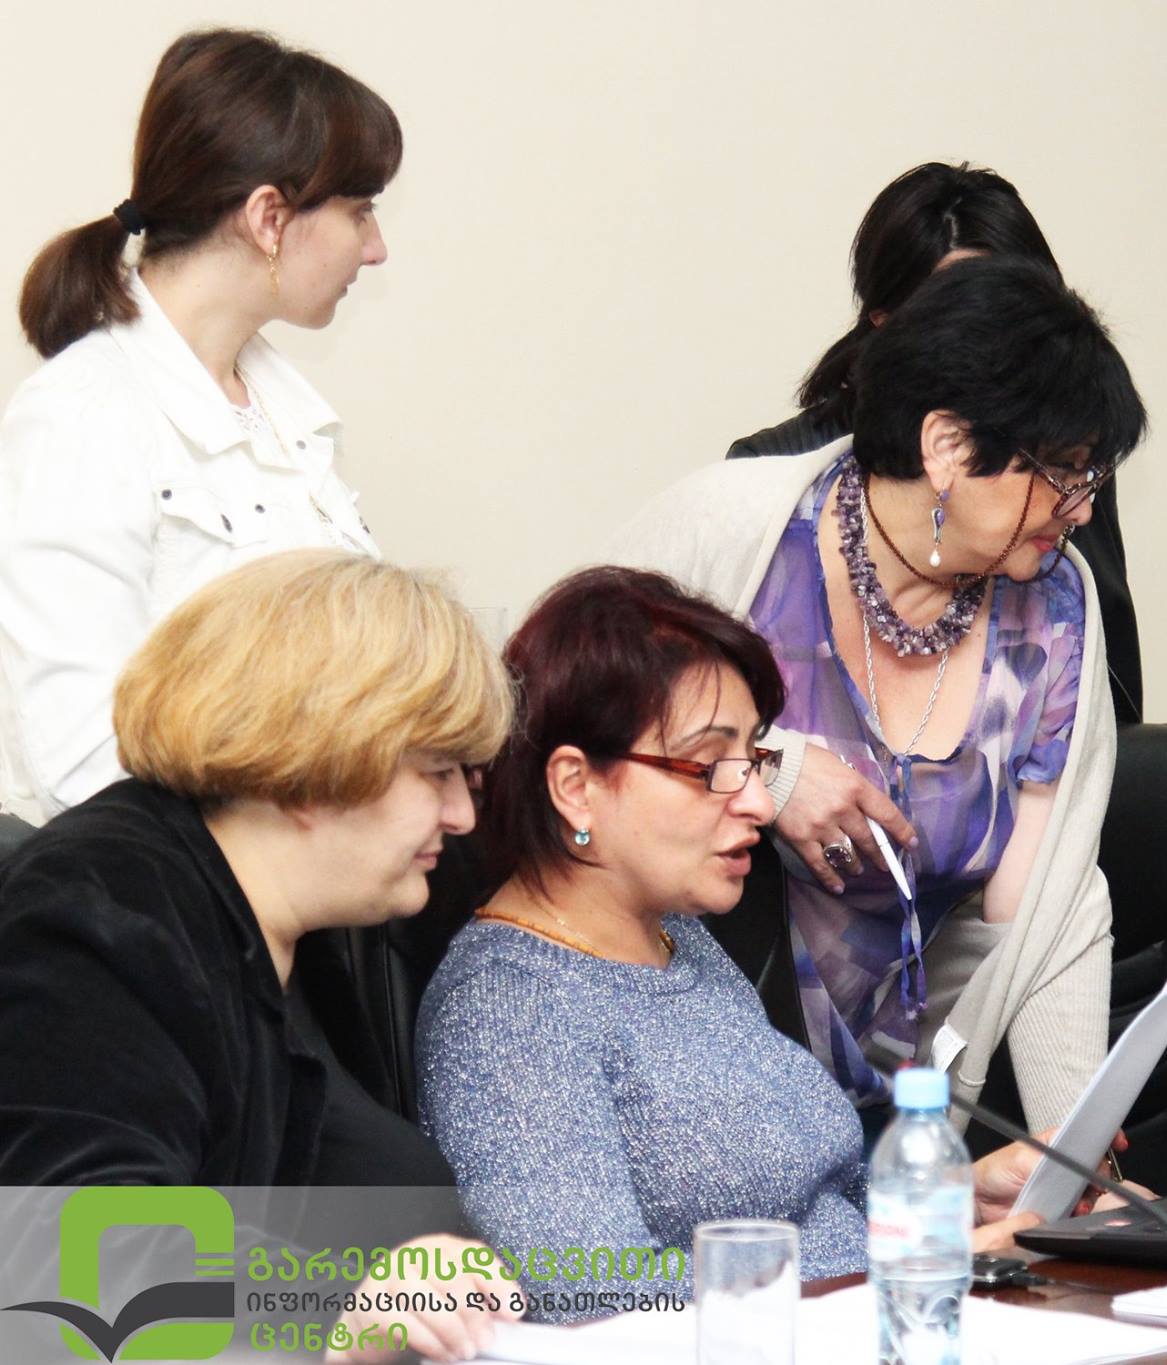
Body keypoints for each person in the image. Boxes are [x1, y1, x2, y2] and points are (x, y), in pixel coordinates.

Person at [415, 567, 1086, 1316]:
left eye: (756, 763)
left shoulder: (676, 939)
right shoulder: (508, 1010)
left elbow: (811, 1206)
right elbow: (591, 1295)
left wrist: (954, 1203)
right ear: (576, 786)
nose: (761, 804)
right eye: (712, 768)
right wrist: (906, 1271)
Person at [613, 256, 1145, 1134]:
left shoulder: (1055, 610)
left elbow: (1045, 905)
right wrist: (772, 769)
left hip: (911, 1108)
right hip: (693, 1080)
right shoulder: (737, 534)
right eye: (1063, 470)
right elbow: (573, 719)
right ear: (947, 448)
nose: (1082, 507)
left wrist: (1075, 1152)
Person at [0, 551, 517, 1362]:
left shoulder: (306, 933)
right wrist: (338, 1300)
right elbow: (77, 1250)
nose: (460, 815)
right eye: (439, 771)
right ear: (317, 764)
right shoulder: (98, 900)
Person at [0, 28, 395, 825]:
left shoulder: (287, 417)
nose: (376, 248)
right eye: (360, 212)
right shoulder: (81, 416)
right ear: (269, 217)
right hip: (157, 888)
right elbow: (85, 762)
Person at [729, 161, 1144, 725]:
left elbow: (1108, 694)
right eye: (967, 314)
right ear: (885, 325)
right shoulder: (772, 477)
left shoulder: (1060, 473)